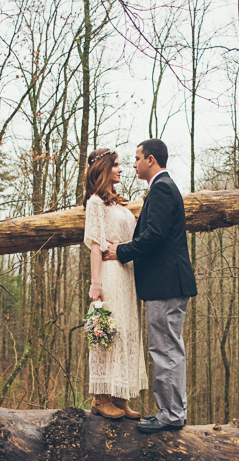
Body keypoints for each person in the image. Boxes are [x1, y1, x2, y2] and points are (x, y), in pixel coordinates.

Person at [103, 139, 197, 434]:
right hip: (167, 283)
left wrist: (120, 251)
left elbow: (154, 236)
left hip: (166, 284)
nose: (133, 164)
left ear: (151, 160)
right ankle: (173, 411)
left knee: (165, 349)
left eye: (137, 158)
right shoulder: (163, 188)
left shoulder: (161, 189)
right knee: (168, 348)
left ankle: (170, 414)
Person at [83, 148, 148, 420]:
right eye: (117, 165)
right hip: (109, 273)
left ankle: (121, 397)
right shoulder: (95, 203)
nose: (122, 169)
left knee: (127, 331)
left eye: (122, 164)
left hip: (127, 274)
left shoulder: (119, 205)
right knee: (111, 332)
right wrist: (95, 283)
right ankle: (101, 398)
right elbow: (96, 245)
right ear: (104, 169)